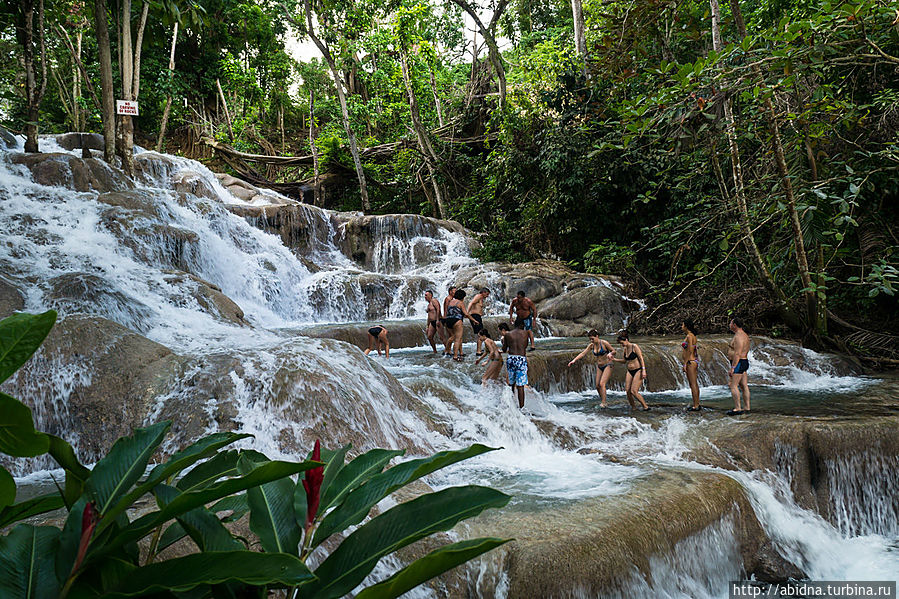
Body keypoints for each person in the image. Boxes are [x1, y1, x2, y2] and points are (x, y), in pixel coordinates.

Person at [567, 329, 616, 408]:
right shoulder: (591, 345)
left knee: (602, 384)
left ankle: (604, 403)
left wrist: (610, 354)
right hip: (599, 366)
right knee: (597, 386)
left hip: (608, 364)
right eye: (590, 339)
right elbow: (583, 353)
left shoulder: (604, 343)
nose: (591, 340)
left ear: (597, 336)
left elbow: (614, 351)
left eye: (592, 338)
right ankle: (603, 400)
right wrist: (574, 360)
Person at [613, 330, 649, 411]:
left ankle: (645, 407)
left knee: (634, 391)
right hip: (629, 371)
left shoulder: (634, 346)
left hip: (638, 370)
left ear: (626, 340)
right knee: (628, 391)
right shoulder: (625, 349)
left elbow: (641, 358)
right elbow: (624, 361)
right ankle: (634, 408)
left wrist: (643, 370)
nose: (622, 345)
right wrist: (614, 359)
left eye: (622, 343)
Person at [500, 321, 529, 408]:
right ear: (522, 325)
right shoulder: (525, 333)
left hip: (511, 358)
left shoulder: (508, 335)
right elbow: (525, 346)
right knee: (520, 386)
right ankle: (521, 407)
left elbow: (504, 349)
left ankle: (511, 404)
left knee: (511, 383)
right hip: (521, 359)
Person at [727, 317, 751, 415]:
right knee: (743, 385)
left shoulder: (739, 336)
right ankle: (747, 407)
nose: (729, 325)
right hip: (743, 362)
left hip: (739, 362)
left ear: (734, 325)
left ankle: (738, 408)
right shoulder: (744, 335)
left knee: (733, 385)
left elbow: (737, 353)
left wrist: (733, 367)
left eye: (730, 323)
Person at [444, 289, 476, 361]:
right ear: (462, 297)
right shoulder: (460, 303)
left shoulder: (450, 301)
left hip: (448, 320)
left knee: (452, 336)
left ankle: (446, 351)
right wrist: (474, 320)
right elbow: (466, 314)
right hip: (457, 321)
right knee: (457, 339)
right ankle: (455, 356)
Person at [682, 319, 701, 411]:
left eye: (682, 325)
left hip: (690, 361)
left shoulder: (689, 336)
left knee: (693, 384)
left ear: (686, 326)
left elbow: (690, 350)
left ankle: (696, 405)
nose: (681, 327)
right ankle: (697, 403)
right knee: (694, 384)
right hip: (694, 361)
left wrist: (685, 363)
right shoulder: (692, 336)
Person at [467, 288, 490, 356]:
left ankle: (479, 349)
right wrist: (467, 313)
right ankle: (478, 351)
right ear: (483, 292)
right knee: (481, 333)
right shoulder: (478, 296)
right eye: (487, 294)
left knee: (480, 333)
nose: (487, 296)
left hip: (477, 316)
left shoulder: (481, 298)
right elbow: (471, 303)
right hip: (475, 316)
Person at [440, 285, 457, 355]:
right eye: (454, 291)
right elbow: (446, 309)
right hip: (447, 318)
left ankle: (448, 350)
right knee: (452, 335)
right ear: (450, 291)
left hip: (450, 317)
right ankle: (446, 350)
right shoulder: (448, 299)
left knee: (450, 335)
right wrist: (446, 317)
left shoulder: (452, 299)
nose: (455, 292)